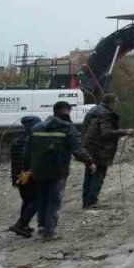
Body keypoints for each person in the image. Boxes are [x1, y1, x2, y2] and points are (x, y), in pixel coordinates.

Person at [28, 101, 94, 240]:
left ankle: (41, 226)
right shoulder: (68, 128)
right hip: (58, 170)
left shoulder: (37, 127)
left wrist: (28, 168)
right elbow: (77, 149)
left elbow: (28, 150)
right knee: (54, 200)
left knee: (42, 198)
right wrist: (89, 162)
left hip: (38, 170)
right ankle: (50, 232)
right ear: (67, 111)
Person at [80, 93, 134, 208]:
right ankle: (91, 201)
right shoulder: (106, 114)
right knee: (98, 174)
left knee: (89, 173)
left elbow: (85, 128)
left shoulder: (93, 110)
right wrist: (125, 132)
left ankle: (86, 201)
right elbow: (106, 132)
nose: (117, 105)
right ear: (110, 103)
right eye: (116, 102)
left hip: (89, 146)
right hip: (100, 148)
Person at [7, 115, 39, 237]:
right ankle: (21, 225)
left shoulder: (17, 141)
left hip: (18, 177)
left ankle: (23, 225)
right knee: (36, 201)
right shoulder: (31, 141)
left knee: (27, 201)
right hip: (28, 177)